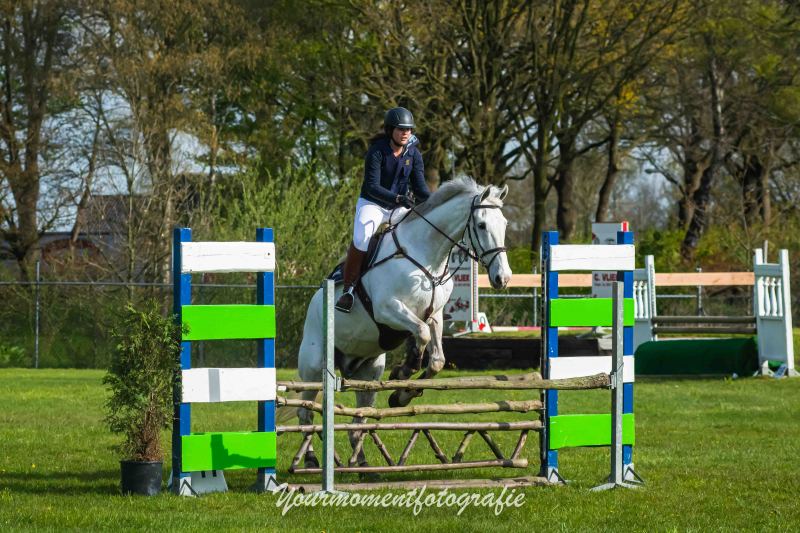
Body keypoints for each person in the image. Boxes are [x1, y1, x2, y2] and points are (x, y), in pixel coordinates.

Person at [335, 107, 431, 313]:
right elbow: (372, 186)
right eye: (401, 129)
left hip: (398, 207)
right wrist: (397, 198)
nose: (405, 133)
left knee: (418, 232)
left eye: (409, 129)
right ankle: (348, 289)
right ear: (390, 130)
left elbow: (421, 188)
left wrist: (434, 204)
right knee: (361, 237)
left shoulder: (414, 154)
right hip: (372, 204)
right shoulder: (377, 151)